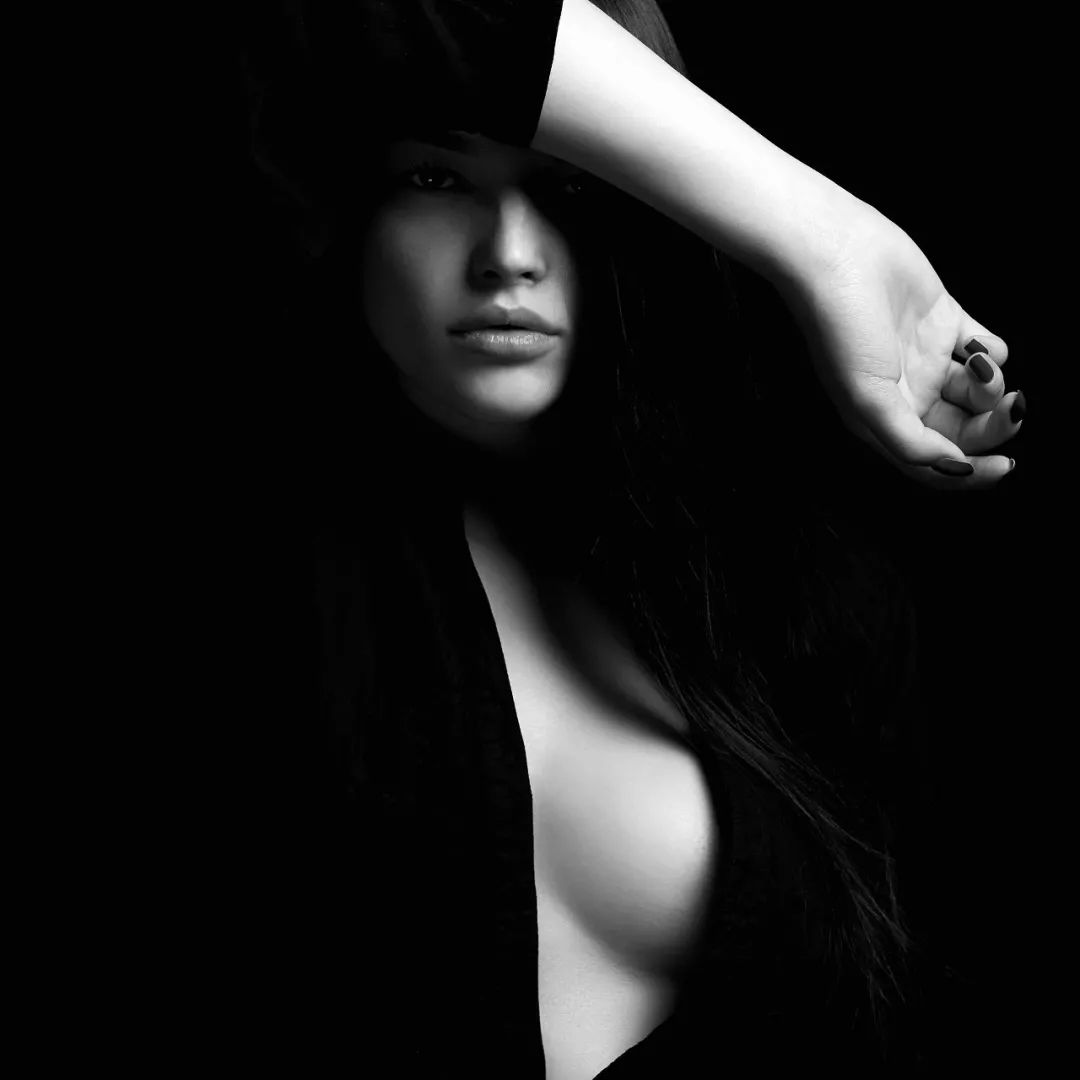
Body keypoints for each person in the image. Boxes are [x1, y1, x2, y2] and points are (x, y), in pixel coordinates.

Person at [236, 0, 1025, 1075]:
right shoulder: (271, 523)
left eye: (566, 193)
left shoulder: (794, 597)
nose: (509, 256)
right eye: (435, 178)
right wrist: (824, 229)